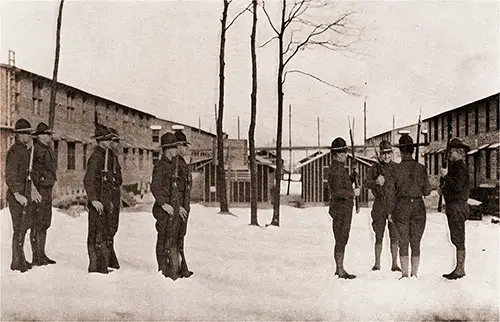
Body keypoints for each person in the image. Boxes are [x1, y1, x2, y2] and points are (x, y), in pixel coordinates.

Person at [387, 134, 431, 279]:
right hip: (418, 206)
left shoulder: (395, 169)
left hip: (401, 206)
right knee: (416, 241)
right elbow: (427, 191)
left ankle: (405, 274)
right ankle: (415, 274)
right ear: (413, 150)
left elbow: (391, 193)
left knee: (403, 241)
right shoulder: (421, 168)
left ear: (400, 151)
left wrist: (389, 211)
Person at [83, 124, 121, 273]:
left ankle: (103, 263)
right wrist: (93, 199)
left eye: (109, 140)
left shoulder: (107, 156)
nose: (108, 143)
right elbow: (88, 180)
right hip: (98, 202)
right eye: (105, 140)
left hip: (106, 201)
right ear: (99, 141)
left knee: (104, 232)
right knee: (96, 234)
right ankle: (96, 266)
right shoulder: (96, 157)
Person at [5, 118, 41, 272]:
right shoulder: (15, 151)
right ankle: (17, 262)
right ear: (19, 135)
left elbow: (28, 175)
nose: (28, 136)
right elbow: (9, 175)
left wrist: (32, 190)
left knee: (23, 227)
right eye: (26, 134)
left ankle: (18, 259)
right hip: (17, 196)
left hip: (24, 194)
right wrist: (17, 194)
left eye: (29, 133)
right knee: (18, 228)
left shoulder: (25, 151)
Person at [151, 132, 187, 280]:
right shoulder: (160, 166)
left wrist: (178, 207)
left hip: (172, 208)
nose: (175, 151)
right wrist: (163, 204)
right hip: (163, 209)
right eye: (173, 148)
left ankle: (172, 268)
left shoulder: (172, 166)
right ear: (166, 149)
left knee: (171, 238)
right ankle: (162, 269)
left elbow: (175, 190)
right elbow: (155, 187)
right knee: (164, 237)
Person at [327, 137, 360, 279]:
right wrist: (353, 192)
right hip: (341, 207)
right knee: (341, 237)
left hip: (344, 207)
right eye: (343, 153)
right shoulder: (335, 170)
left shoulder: (339, 168)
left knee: (343, 237)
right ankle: (340, 269)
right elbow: (338, 191)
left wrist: (353, 177)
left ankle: (340, 268)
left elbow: (343, 184)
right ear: (337, 154)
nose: (346, 155)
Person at [364, 140, 400, 272]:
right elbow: (365, 183)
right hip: (379, 205)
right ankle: (377, 263)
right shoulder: (374, 168)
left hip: (393, 205)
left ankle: (395, 264)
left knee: (394, 235)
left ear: (392, 153)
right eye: (383, 154)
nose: (386, 156)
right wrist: (375, 182)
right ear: (380, 154)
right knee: (378, 234)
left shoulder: (397, 168)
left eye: (388, 153)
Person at [439, 138, 470, 280]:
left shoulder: (460, 167)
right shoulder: (455, 166)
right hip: (453, 206)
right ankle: (459, 267)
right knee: (456, 237)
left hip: (458, 206)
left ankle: (460, 269)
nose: (450, 155)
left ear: (459, 153)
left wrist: (446, 177)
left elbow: (457, 186)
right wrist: (443, 189)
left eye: (453, 152)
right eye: (450, 151)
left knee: (458, 238)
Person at [30, 122, 57, 266]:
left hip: (47, 189)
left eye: (49, 134)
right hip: (39, 191)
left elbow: (51, 170)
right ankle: (36, 257)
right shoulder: (36, 150)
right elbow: (31, 173)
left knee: (45, 222)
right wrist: (34, 189)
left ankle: (42, 254)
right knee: (37, 223)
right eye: (46, 134)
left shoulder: (48, 149)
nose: (49, 137)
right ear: (39, 136)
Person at [174, 128, 194, 278]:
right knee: (175, 237)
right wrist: (178, 206)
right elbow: (173, 187)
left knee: (181, 236)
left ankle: (181, 267)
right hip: (179, 205)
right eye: (183, 145)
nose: (185, 148)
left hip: (184, 204)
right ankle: (176, 268)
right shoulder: (175, 163)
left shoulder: (181, 162)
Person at [106, 127, 123, 270]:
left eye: (118, 141)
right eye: (115, 141)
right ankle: (107, 257)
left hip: (115, 194)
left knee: (113, 226)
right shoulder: (106, 158)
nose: (117, 145)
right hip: (109, 195)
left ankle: (110, 255)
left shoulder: (113, 157)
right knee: (108, 227)